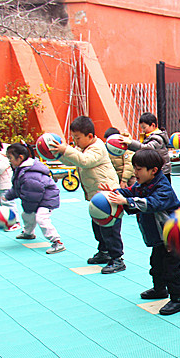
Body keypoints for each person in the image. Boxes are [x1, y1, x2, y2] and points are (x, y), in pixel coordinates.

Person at [105, 149, 180, 315]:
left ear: (153, 170)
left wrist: (126, 201)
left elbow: (151, 204)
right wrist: (115, 192)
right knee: (156, 264)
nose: (135, 173)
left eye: (138, 169)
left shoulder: (163, 188)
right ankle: (159, 289)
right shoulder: (142, 184)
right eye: (134, 168)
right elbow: (129, 192)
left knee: (172, 269)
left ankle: (178, 300)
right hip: (160, 237)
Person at [53, 116, 124, 273]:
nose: (75, 141)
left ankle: (117, 258)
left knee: (110, 228)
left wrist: (66, 149)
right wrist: (59, 154)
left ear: (90, 136)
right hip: (97, 196)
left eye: (77, 138)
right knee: (98, 225)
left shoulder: (97, 148)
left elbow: (84, 161)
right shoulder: (82, 148)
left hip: (109, 195)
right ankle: (104, 252)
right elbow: (73, 161)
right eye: (73, 138)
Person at [3, 143, 65, 254]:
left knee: (41, 218)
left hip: (47, 198)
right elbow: (17, 188)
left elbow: (32, 196)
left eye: (10, 158)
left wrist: (29, 208)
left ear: (20, 158)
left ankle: (57, 242)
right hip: (37, 197)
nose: (9, 161)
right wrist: (8, 196)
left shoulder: (29, 175)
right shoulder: (21, 170)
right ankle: (28, 233)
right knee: (27, 215)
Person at [124, 112, 171, 182]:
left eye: (144, 127)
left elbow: (148, 148)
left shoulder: (158, 138)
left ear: (153, 125)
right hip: (154, 170)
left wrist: (131, 142)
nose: (143, 130)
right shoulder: (149, 136)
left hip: (162, 171)